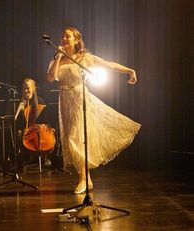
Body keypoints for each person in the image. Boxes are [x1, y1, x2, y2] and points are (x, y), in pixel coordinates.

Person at [47, 26, 141, 194]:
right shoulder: (57, 58)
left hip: (79, 98)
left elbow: (106, 64)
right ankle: (86, 178)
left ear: (76, 40)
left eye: (68, 36)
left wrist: (129, 70)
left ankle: (83, 179)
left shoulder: (84, 58)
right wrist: (58, 57)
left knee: (75, 139)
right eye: (62, 36)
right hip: (64, 100)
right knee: (69, 139)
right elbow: (50, 77)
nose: (64, 39)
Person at [16, 78, 51, 169]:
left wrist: (42, 125)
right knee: (19, 134)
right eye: (24, 88)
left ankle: (44, 157)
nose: (25, 90)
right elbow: (17, 122)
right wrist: (22, 106)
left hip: (37, 128)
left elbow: (44, 118)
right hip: (26, 130)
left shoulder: (40, 101)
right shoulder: (20, 103)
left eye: (27, 88)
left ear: (33, 89)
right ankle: (22, 160)